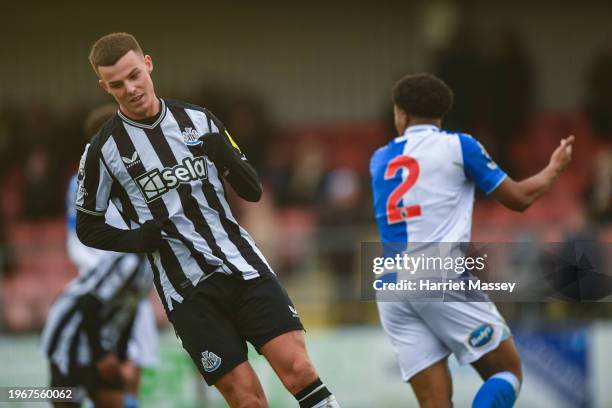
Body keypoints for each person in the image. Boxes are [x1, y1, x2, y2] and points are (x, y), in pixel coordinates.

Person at [75, 32, 340, 408]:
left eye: (135, 75)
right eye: (117, 84)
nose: (130, 88)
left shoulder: (198, 120)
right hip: (186, 291)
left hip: (242, 267)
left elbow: (252, 190)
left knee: (299, 369)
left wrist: (227, 159)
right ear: (104, 86)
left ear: (148, 64)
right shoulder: (102, 151)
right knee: (246, 399)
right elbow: (87, 226)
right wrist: (136, 240)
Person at [369, 73, 574, 407]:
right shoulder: (459, 146)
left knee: (435, 403)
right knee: (507, 372)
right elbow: (519, 198)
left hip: (390, 288)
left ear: (402, 115)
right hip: (438, 275)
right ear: (441, 114)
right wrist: (554, 167)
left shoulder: (378, 159)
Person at [41, 104, 158, 408]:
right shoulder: (104, 174)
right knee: (78, 393)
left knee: (120, 377)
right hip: (110, 274)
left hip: (116, 280)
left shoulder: (83, 176)